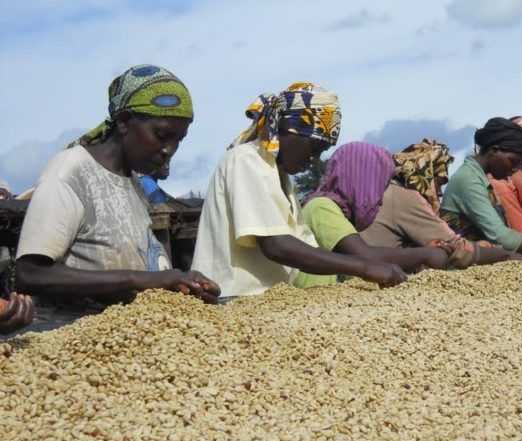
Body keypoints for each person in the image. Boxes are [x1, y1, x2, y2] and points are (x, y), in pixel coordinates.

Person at [15, 65, 220, 327]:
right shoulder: (71, 172)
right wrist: (138, 280)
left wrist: (182, 283)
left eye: (179, 140)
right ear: (124, 122)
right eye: (161, 135)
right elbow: (30, 273)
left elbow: (144, 266)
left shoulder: (135, 184)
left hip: (129, 338)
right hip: (73, 339)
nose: (170, 149)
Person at [191, 82, 406, 298]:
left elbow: (307, 249)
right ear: (289, 131)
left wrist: (372, 263)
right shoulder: (246, 160)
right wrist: (364, 267)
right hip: (231, 298)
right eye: (314, 148)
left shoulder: (281, 178)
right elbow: (276, 245)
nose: (313, 160)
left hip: (267, 301)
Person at [298, 142, 455, 287]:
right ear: (360, 181)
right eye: (378, 187)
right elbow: (364, 256)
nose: (380, 201)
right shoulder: (321, 207)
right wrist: (424, 255)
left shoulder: (337, 211)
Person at [350, 140, 521, 267]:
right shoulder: (405, 197)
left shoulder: (381, 191)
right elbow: (457, 248)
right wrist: (501, 254)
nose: (439, 192)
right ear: (424, 176)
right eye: (438, 182)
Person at [440, 117, 522, 257]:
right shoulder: (468, 179)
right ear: (494, 150)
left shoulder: (481, 178)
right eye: (512, 161)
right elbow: (500, 237)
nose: (514, 169)